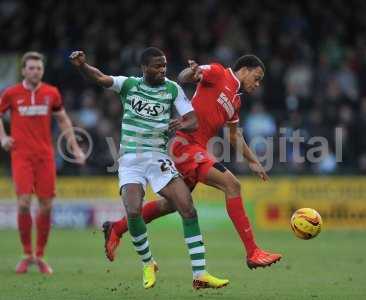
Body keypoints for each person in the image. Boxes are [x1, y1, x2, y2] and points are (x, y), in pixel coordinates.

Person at [69, 47, 229, 289]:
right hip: (131, 160)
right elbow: (101, 78)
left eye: (164, 65)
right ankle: (148, 262)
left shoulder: (172, 88)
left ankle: (200, 274)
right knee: (133, 210)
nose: (162, 69)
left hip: (157, 158)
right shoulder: (129, 85)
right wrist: (82, 66)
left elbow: (193, 119)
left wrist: (181, 125)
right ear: (144, 67)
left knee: (187, 206)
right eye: (157, 65)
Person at [104, 55, 282, 269]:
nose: (258, 83)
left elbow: (234, 136)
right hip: (185, 145)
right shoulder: (218, 73)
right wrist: (193, 73)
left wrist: (254, 162)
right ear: (244, 69)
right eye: (257, 77)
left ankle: (117, 228)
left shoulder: (236, 101)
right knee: (232, 184)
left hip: (194, 149)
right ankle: (253, 252)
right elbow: (185, 76)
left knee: (169, 205)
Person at [0, 51, 86, 275]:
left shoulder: (51, 93)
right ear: (23, 70)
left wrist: (74, 147)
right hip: (21, 156)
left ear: (42, 71)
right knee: (24, 203)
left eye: (38, 68)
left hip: (45, 156)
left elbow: (63, 119)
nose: (35, 71)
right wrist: (3, 137)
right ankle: (26, 254)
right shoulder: (11, 94)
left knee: (46, 206)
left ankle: (39, 256)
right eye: (31, 68)